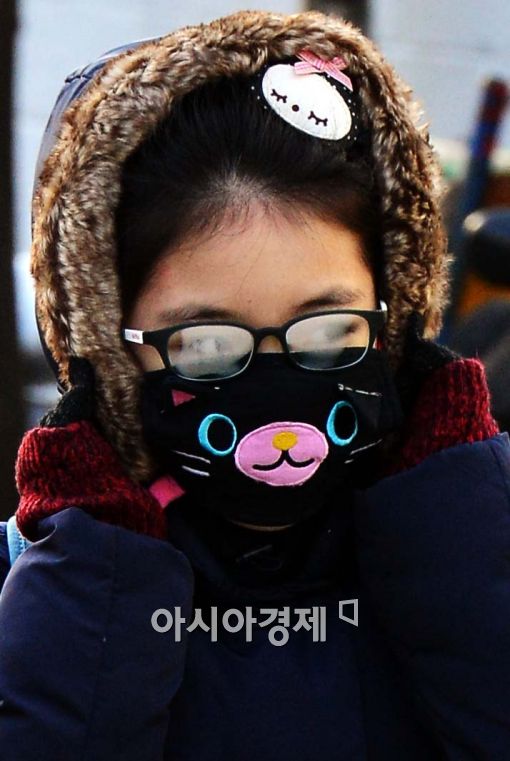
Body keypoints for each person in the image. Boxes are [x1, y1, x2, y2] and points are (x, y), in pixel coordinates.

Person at [1, 9, 510, 760]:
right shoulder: (36, 592)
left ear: (394, 314)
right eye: (208, 346)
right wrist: (93, 573)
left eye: (328, 331)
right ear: (109, 349)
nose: (277, 393)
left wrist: (461, 523)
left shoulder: (470, 530)